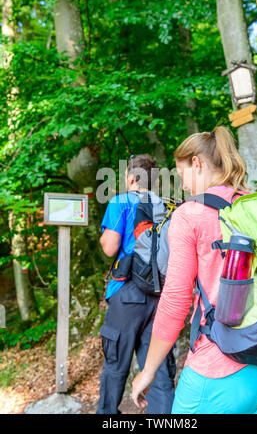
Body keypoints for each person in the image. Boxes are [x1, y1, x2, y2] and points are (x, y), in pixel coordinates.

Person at [131, 127, 257, 414]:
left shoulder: (190, 214)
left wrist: (148, 370)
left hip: (221, 368)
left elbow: (175, 302)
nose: (182, 184)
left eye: (182, 173)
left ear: (197, 164)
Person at [96, 153, 175, 415]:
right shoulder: (164, 206)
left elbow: (110, 248)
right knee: (159, 366)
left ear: (130, 177)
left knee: (116, 364)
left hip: (128, 292)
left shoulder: (120, 202)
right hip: (160, 293)